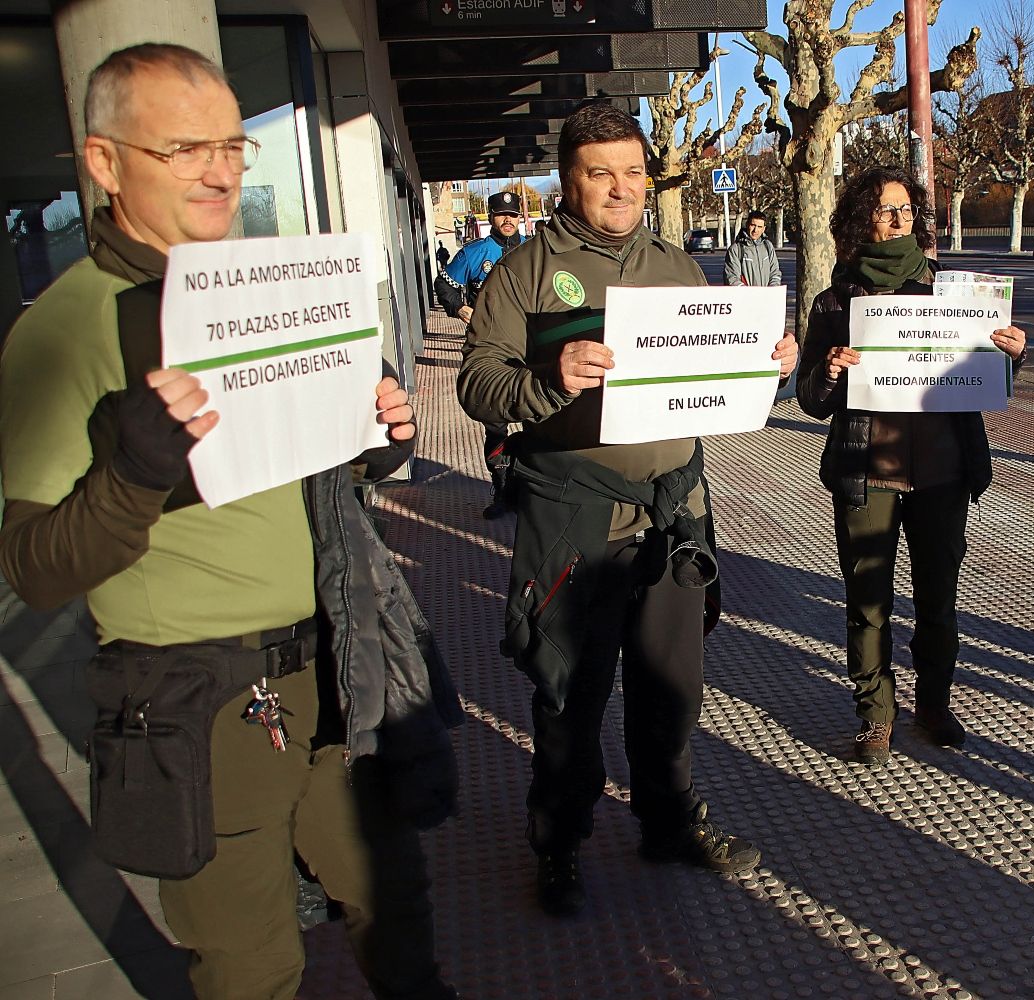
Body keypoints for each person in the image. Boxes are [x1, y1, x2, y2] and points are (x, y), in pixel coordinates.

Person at [0, 44, 460, 1000]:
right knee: (253, 965)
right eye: (183, 149)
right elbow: (36, 569)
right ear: (104, 162)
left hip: (337, 668)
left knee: (399, 903)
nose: (218, 169)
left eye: (232, 145)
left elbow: (318, 473)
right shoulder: (66, 328)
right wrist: (132, 468)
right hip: (197, 701)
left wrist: (372, 436)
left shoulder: (268, 291)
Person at [456, 101, 797, 916]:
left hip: (673, 513)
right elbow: (476, 385)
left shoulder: (678, 266)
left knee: (672, 686)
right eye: (600, 174)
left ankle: (667, 820)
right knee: (569, 693)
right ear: (567, 181)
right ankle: (561, 843)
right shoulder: (524, 273)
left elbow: (714, 375)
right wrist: (548, 378)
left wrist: (768, 366)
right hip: (573, 518)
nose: (621, 189)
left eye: (633, 172)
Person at [795, 166, 1028, 765]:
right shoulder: (834, 298)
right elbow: (811, 400)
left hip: (944, 471)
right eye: (884, 210)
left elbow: (983, 380)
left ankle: (933, 704)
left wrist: (1012, 356)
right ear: (859, 221)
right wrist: (828, 370)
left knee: (937, 598)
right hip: (866, 466)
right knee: (868, 598)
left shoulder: (952, 294)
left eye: (905, 209)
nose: (898, 220)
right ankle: (875, 714)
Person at [437, 190, 529, 518]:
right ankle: (503, 489)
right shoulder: (475, 253)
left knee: (541, 418)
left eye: (513, 215)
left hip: (531, 347)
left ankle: (537, 489)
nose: (508, 220)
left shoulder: (535, 249)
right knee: (495, 422)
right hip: (490, 350)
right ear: (490, 217)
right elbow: (444, 284)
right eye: (502, 214)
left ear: (520, 217)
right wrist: (459, 307)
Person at [723, 210, 781, 286]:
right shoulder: (736, 249)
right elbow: (732, 277)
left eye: (759, 227)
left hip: (766, 296)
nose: (755, 230)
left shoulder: (768, 246)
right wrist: (749, 294)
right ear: (747, 225)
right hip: (746, 297)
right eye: (753, 225)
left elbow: (775, 272)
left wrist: (772, 289)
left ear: (763, 229)